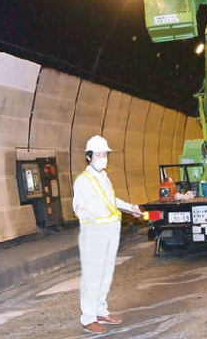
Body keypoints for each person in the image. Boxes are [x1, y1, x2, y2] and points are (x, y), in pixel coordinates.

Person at [73, 135, 142, 334]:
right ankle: (88, 318)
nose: (103, 157)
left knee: (104, 275)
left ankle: (101, 310)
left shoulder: (103, 176)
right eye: (99, 154)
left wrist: (131, 208)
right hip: (95, 233)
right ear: (88, 157)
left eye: (105, 154)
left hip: (110, 231)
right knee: (93, 276)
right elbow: (78, 206)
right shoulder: (83, 180)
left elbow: (111, 200)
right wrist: (90, 218)